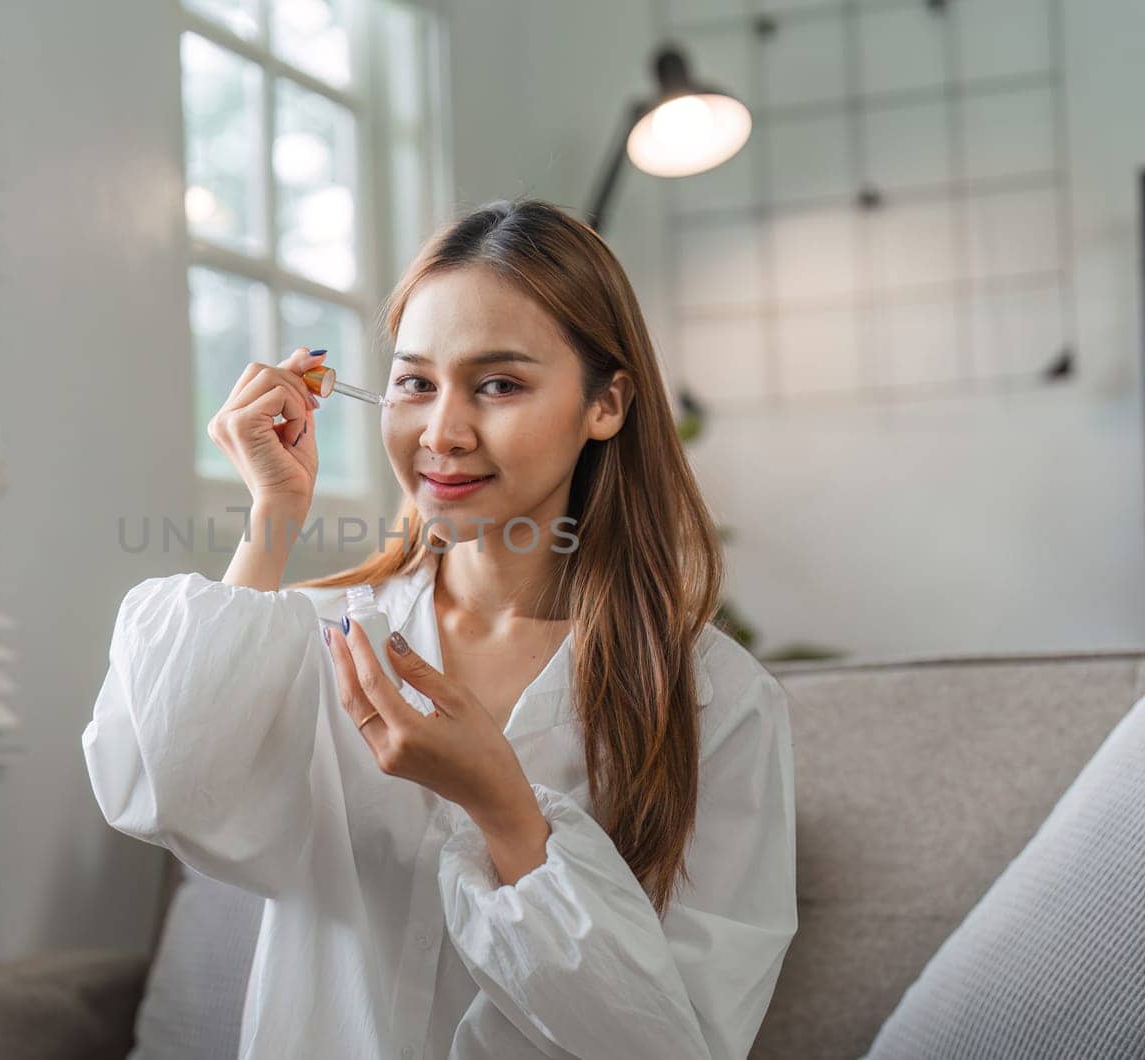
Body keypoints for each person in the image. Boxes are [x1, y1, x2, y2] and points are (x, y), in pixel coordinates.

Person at [83, 199, 797, 1059]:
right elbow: (159, 791)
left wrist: (503, 808)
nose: (442, 433)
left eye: (499, 384)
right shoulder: (317, 641)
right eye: (416, 383)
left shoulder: (716, 700)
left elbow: (678, 1046)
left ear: (606, 404)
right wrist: (273, 515)